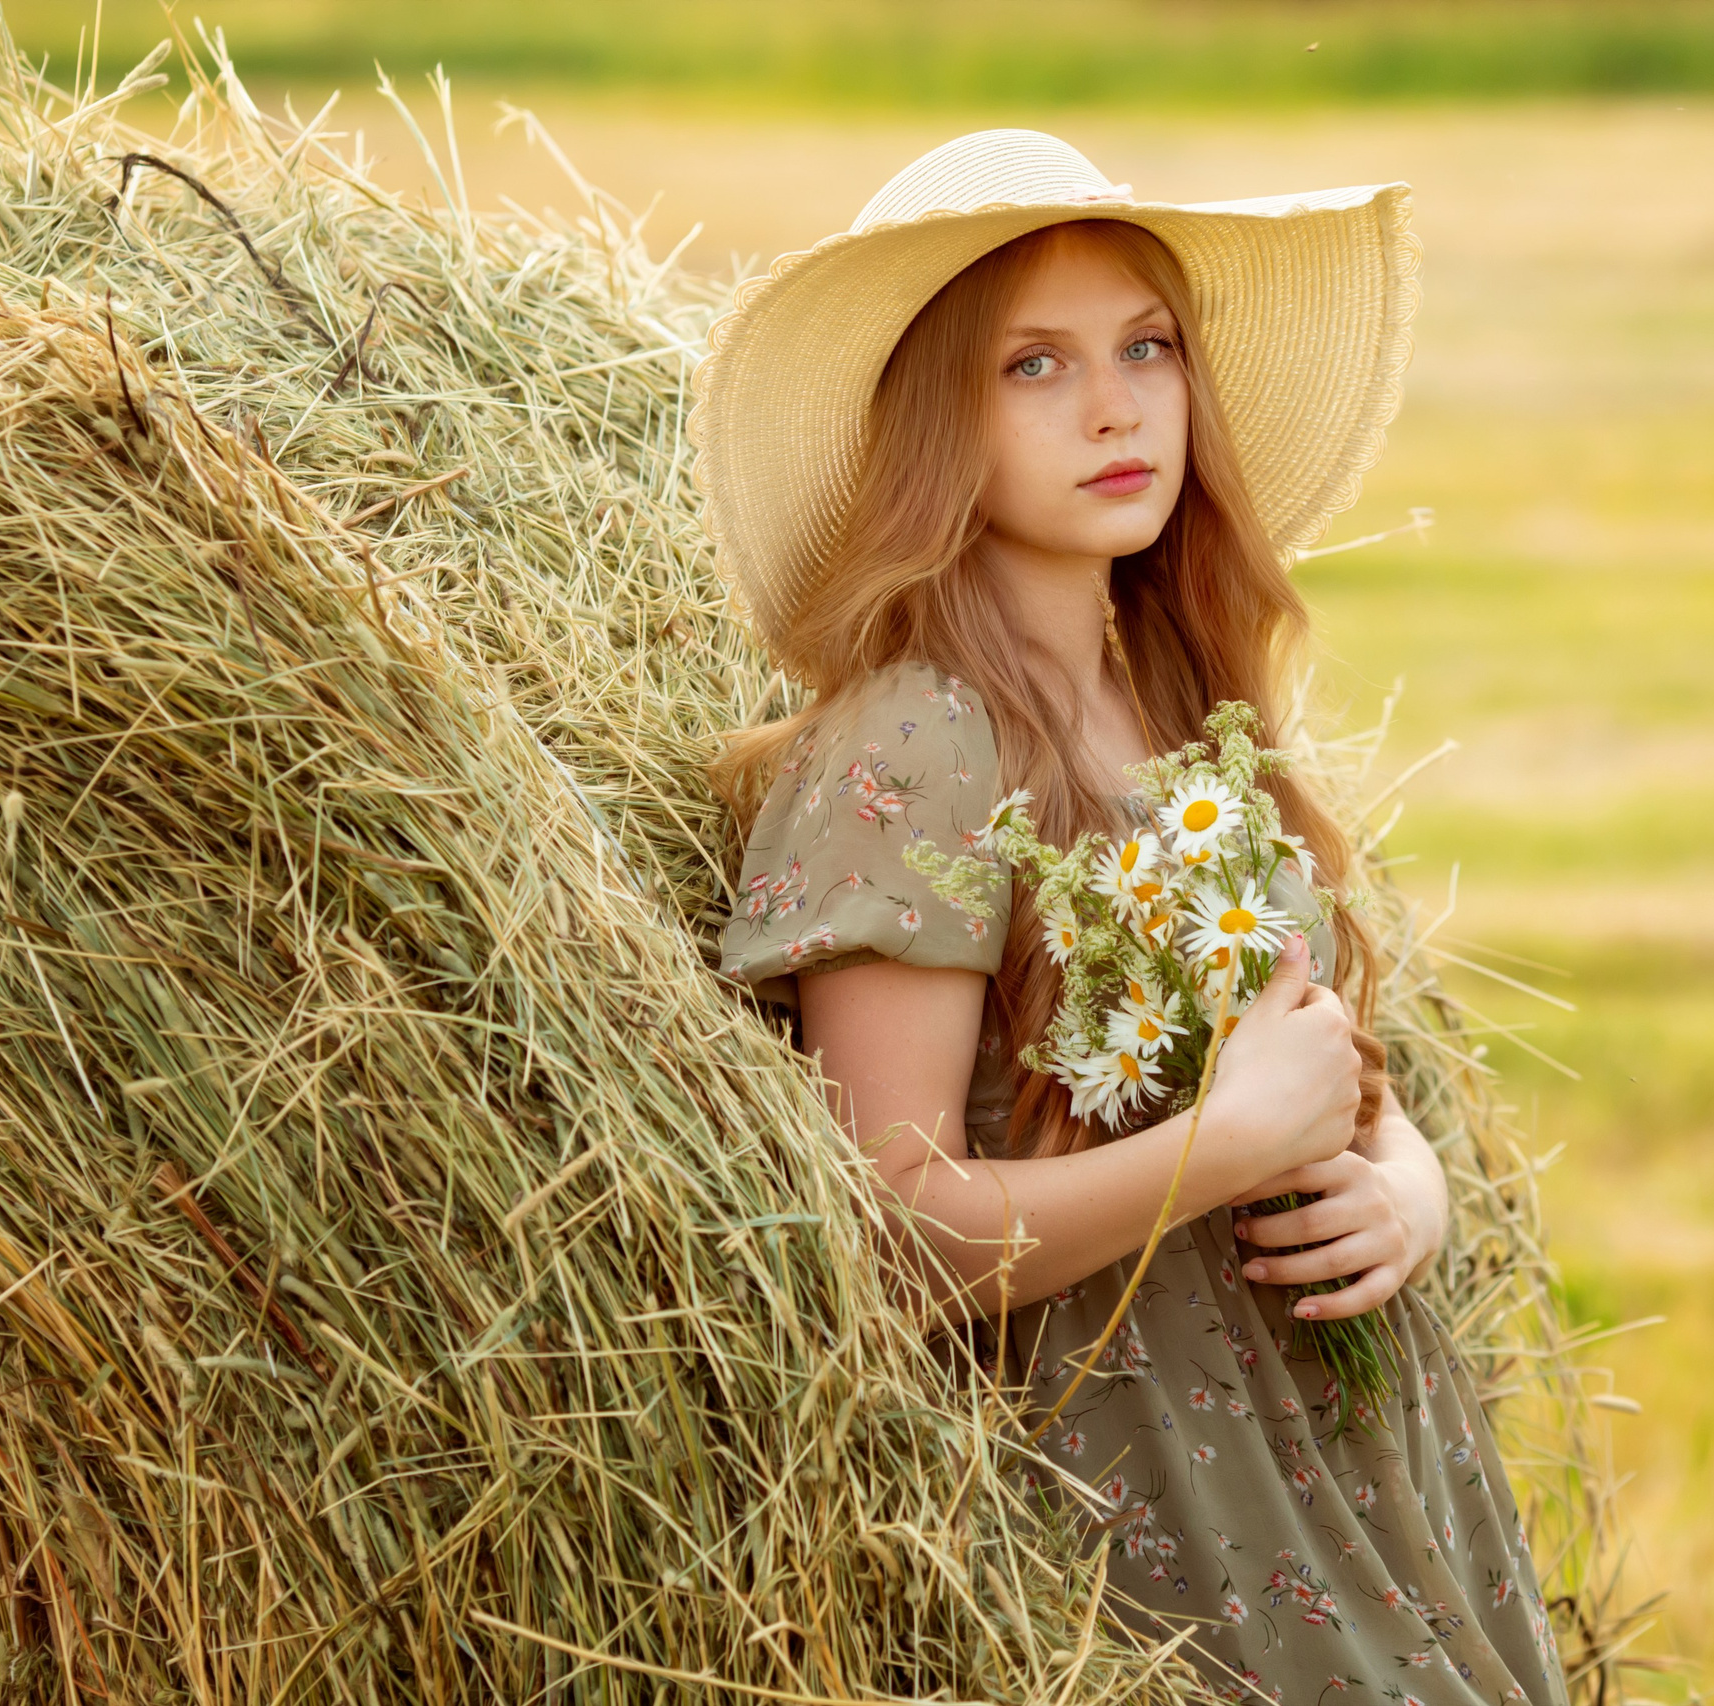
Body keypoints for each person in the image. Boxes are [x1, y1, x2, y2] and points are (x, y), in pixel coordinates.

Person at [696, 129, 1563, 1706]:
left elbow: (1324, 1059)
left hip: (1348, 1466)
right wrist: (1222, 1152)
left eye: (1145, 347)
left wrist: (1411, 1185)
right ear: (933, 427)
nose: (1116, 405)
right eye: (1035, 364)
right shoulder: (916, 744)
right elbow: (888, 1236)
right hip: (1150, 1515)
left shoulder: (1175, 704)